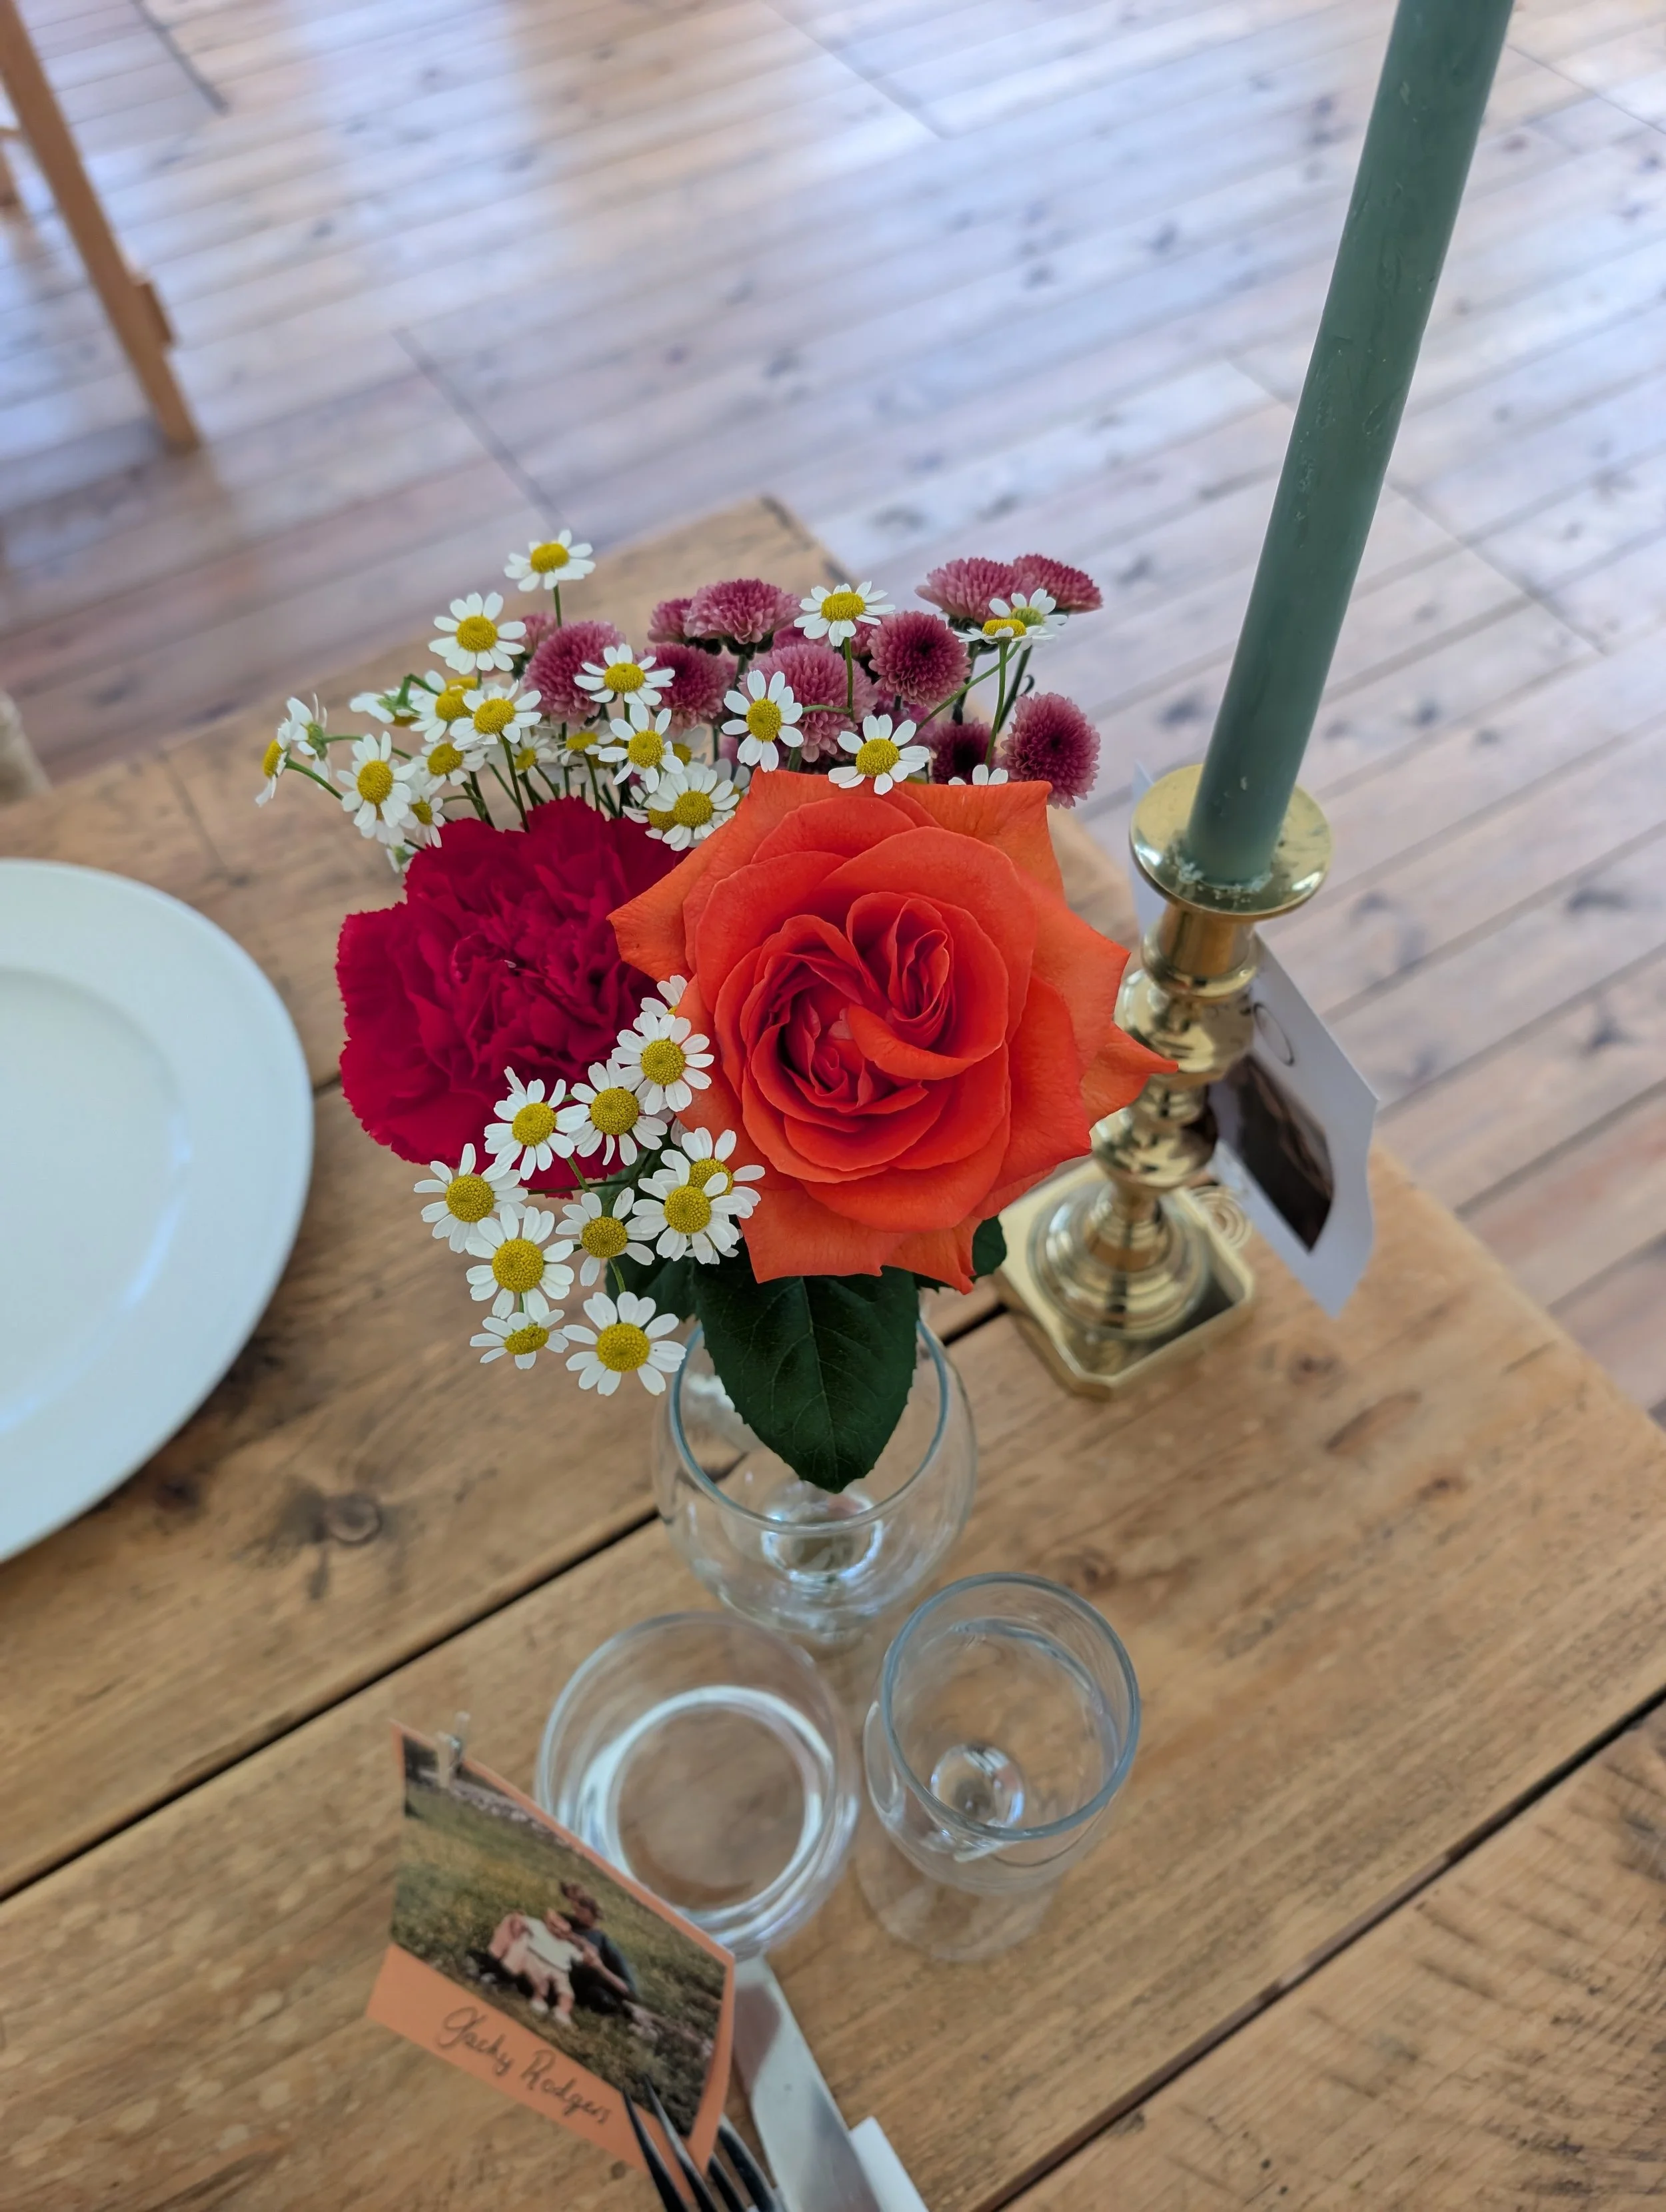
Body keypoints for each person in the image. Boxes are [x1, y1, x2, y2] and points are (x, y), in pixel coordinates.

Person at [560, 1885, 639, 2018]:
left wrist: (600, 1968)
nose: (576, 1914)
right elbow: (551, 1915)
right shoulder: (574, 1924)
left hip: (592, 1984)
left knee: (598, 1996)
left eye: (580, 1911)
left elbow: (631, 1991)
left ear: (592, 1913)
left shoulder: (604, 1943)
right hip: (566, 1972)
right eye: (575, 1909)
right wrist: (574, 1938)